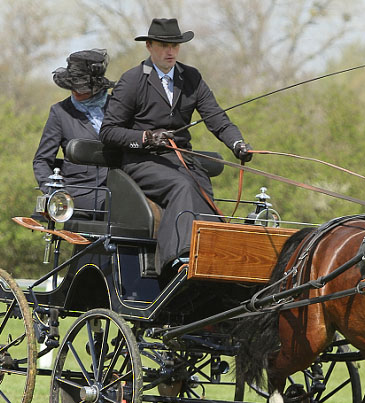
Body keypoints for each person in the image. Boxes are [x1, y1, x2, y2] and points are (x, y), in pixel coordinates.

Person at [100, 18, 253, 274]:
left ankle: (212, 254)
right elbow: (108, 131)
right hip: (142, 161)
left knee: (203, 188)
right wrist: (146, 137)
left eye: (175, 45)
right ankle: (178, 258)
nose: (170, 51)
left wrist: (237, 143)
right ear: (149, 46)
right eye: (163, 45)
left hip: (181, 159)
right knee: (182, 185)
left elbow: (216, 118)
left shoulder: (191, 78)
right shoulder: (133, 80)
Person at [33, 49, 115, 217]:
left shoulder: (117, 107)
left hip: (119, 187)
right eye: (74, 87)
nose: (76, 92)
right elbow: (41, 160)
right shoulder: (60, 112)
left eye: (82, 88)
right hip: (80, 190)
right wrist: (55, 193)